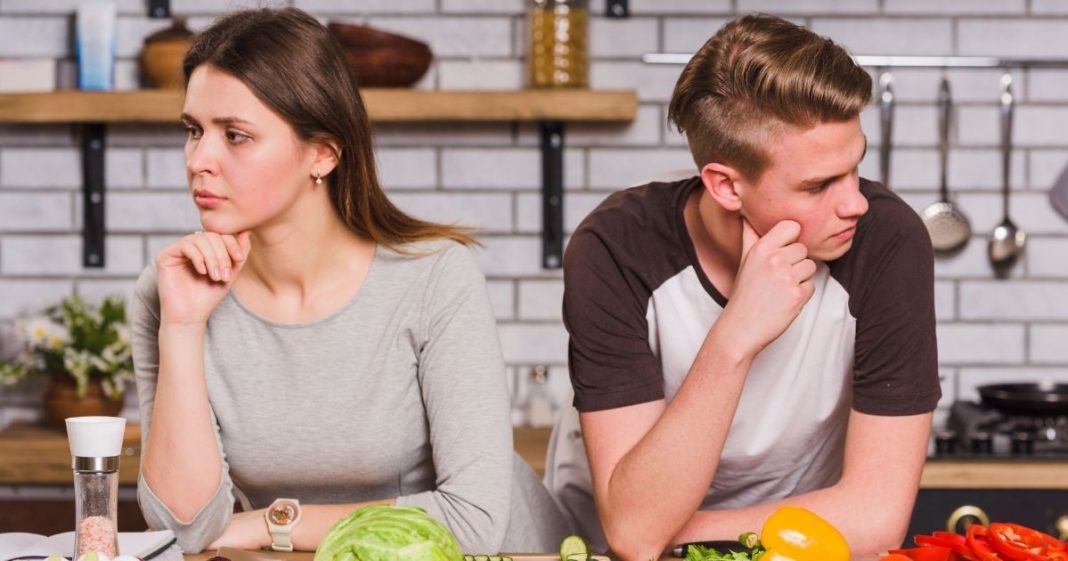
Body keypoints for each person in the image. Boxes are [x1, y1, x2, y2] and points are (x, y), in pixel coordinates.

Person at [128, 7, 568, 555]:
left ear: (323, 153)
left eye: (235, 135)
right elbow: (189, 528)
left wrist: (274, 523)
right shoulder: (170, 290)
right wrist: (183, 326)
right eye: (194, 130)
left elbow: (473, 517)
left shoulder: (432, 276)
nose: (199, 160)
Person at [543, 13, 940, 561]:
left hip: (794, 553)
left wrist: (666, 531)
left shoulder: (888, 242)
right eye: (819, 185)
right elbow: (631, 540)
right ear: (726, 186)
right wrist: (736, 336)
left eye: (855, 168)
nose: (856, 203)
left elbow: (875, 517)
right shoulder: (615, 248)